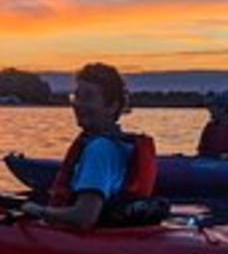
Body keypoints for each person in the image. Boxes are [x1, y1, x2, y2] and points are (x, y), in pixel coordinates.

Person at [21, 62, 158, 229]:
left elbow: (85, 217)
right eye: (77, 96)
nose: (78, 104)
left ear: (112, 106)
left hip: (85, 241)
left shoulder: (99, 149)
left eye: (88, 97)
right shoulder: (118, 146)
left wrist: (38, 211)